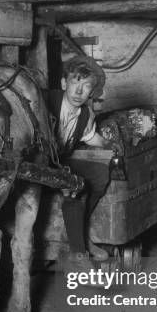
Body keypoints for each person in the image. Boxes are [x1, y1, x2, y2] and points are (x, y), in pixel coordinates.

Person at [48, 55, 111, 268]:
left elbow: (89, 136)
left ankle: (82, 236)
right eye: (75, 83)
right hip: (39, 162)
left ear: (91, 92)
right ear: (64, 83)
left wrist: (110, 144)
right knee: (73, 185)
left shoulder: (85, 114)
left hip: (61, 161)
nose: (78, 91)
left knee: (100, 174)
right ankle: (79, 253)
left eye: (86, 87)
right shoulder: (47, 103)